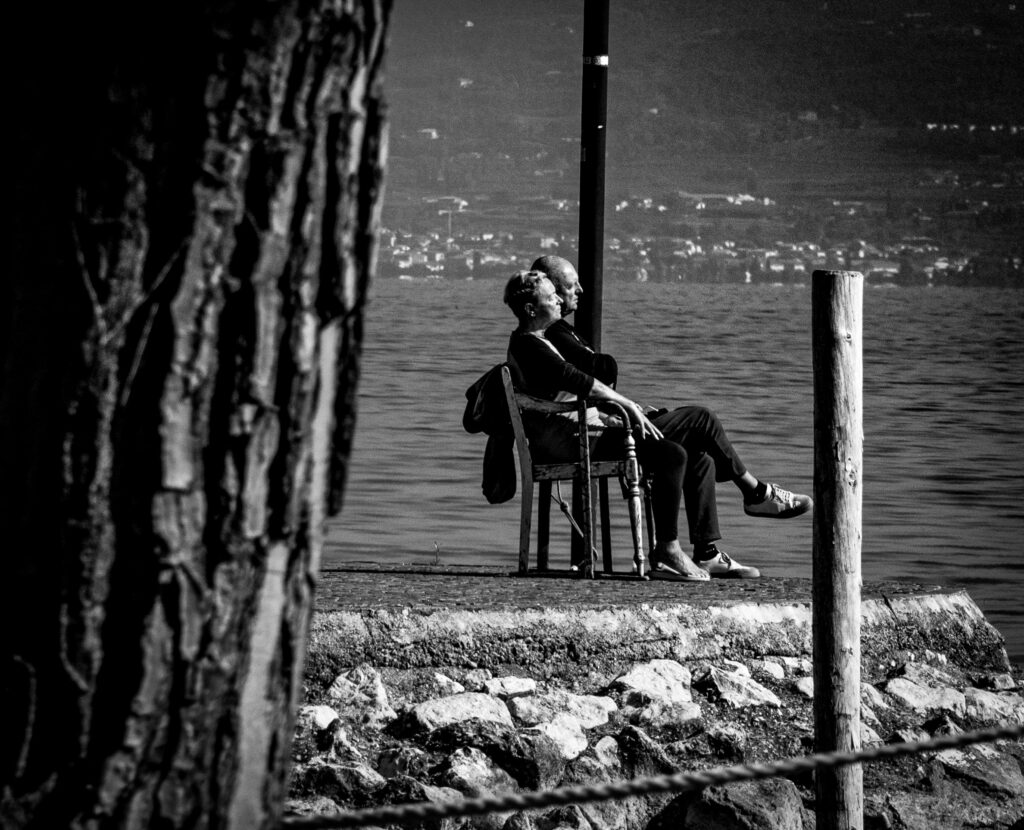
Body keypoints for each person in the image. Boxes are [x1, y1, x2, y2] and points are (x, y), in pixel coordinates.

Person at [504, 267, 811, 581]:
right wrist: (626, 406)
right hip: (576, 443)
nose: (558, 300)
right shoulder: (529, 345)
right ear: (531, 309)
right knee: (687, 435)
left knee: (697, 454)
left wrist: (617, 411)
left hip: (586, 432)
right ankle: (687, 538)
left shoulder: (537, 340)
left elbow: (569, 392)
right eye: (550, 297)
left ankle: (707, 551)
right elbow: (579, 382)